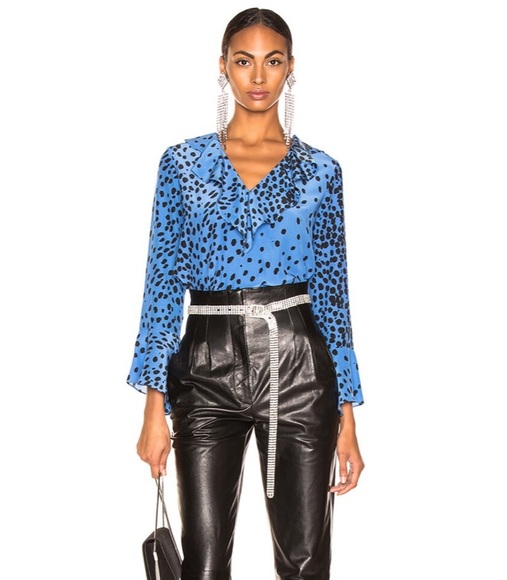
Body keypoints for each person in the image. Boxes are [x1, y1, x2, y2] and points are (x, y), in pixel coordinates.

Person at [128, 7, 365, 579]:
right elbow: (162, 286)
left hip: (299, 366)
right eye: (243, 61)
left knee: (304, 563)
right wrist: (154, 407)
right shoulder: (182, 165)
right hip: (205, 367)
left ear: (290, 68)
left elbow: (333, 297)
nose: (258, 77)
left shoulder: (320, 171)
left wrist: (348, 416)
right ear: (223, 67)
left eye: (272, 61)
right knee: (204, 565)